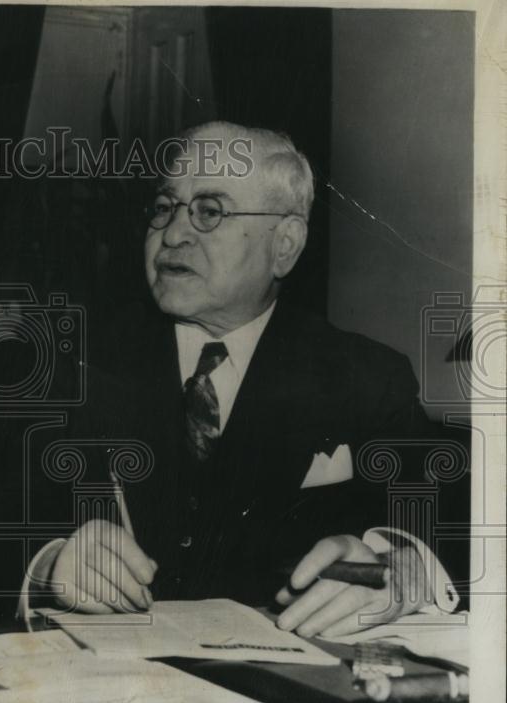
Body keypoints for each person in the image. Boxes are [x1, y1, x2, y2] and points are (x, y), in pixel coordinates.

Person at [25, 121, 464, 638]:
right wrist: (48, 565)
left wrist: (404, 569)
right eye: (164, 207)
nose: (171, 234)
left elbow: (456, 528)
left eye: (209, 211)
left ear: (285, 245)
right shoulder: (67, 362)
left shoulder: (366, 377)